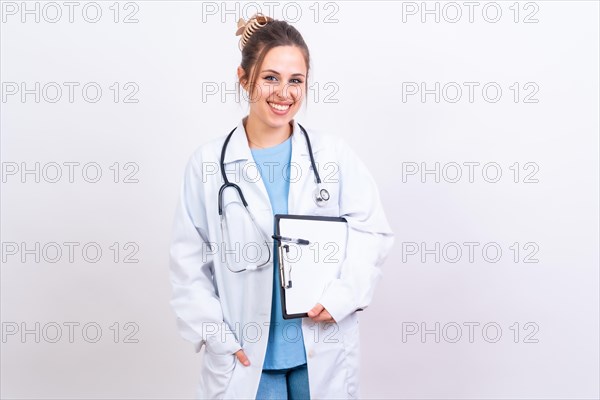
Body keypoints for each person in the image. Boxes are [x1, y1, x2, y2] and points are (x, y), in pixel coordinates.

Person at [169, 13, 394, 400]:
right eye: (270, 77)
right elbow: (188, 265)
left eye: (296, 81)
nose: (284, 93)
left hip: (320, 350)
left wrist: (341, 297)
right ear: (244, 79)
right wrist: (217, 337)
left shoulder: (333, 156)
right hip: (245, 361)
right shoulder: (208, 165)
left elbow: (372, 233)